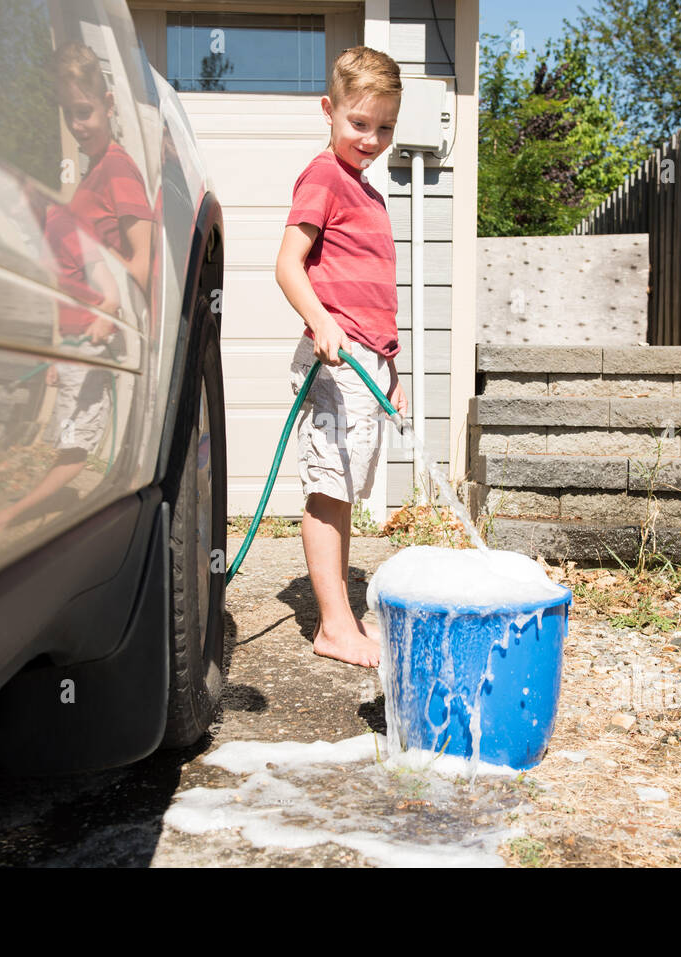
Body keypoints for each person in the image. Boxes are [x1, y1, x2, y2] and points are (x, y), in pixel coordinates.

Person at [0, 42, 153, 538]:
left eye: (85, 112)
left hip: (99, 332)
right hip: (80, 334)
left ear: (107, 102)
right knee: (68, 439)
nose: (78, 125)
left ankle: (3, 519)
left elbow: (142, 261)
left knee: (76, 447)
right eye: (69, 114)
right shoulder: (94, 172)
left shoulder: (118, 169)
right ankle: (31, 511)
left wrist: (110, 313)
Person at [274, 46, 408, 668]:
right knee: (330, 490)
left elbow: (375, 292)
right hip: (336, 359)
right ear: (328, 111)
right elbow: (287, 265)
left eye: (385, 127)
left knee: (346, 490)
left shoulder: (371, 197)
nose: (372, 138)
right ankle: (334, 626)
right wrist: (322, 322)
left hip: (367, 361)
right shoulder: (324, 177)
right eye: (359, 123)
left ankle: (341, 619)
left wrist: (394, 366)